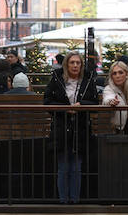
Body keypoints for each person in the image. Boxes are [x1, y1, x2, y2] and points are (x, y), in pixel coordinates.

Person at [44, 51, 98, 204]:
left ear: (81, 65)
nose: (75, 65)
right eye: (72, 62)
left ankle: (74, 201)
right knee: (63, 167)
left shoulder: (88, 80)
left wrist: (82, 106)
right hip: (62, 127)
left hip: (80, 128)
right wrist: (64, 108)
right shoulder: (57, 79)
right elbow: (47, 102)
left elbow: (95, 104)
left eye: (78, 63)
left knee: (76, 168)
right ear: (67, 64)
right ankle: (63, 201)